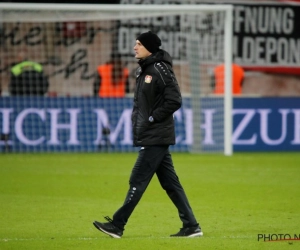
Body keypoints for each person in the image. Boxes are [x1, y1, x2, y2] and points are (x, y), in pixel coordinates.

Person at [93, 31, 202, 238]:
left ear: (149, 47)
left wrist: (152, 118)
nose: (135, 48)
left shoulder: (160, 69)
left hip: (156, 134)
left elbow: (175, 100)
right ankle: (191, 226)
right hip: (152, 134)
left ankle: (117, 225)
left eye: (139, 44)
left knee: (138, 178)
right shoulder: (143, 70)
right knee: (171, 183)